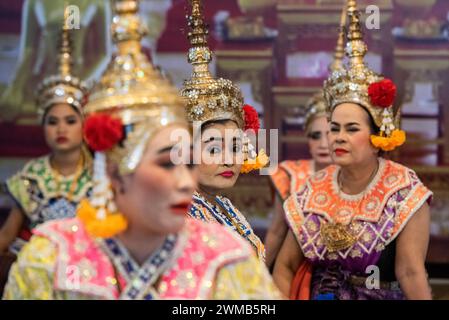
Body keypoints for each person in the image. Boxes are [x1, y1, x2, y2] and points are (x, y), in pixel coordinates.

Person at [3, 0, 280, 300]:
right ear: (114, 169)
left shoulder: (225, 253)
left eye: (187, 163)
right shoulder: (47, 259)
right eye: (166, 164)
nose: (185, 181)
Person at [273, 0, 433, 300]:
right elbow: (284, 266)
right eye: (334, 128)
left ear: (377, 136)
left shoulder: (404, 191)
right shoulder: (314, 189)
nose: (338, 138)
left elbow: (410, 272)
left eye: (352, 129)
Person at [180, 0, 267, 260]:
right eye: (214, 148)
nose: (229, 159)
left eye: (235, 147)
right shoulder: (182, 216)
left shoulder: (223, 205)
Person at [265, 5, 348, 269]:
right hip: (298, 270)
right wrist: (259, 275)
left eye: (331, 133)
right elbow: (277, 231)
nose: (323, 143)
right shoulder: (289, 175)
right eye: (315, 135)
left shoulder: (358, 176)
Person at [0, 17, 91, 255]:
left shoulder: (100, 175)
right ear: (43, 127)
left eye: (70, 121)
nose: (61, 129)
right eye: (53, 122)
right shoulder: (31, 175)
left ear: (84, 125)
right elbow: (8, 234)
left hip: (86, 265)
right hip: (38, 268)